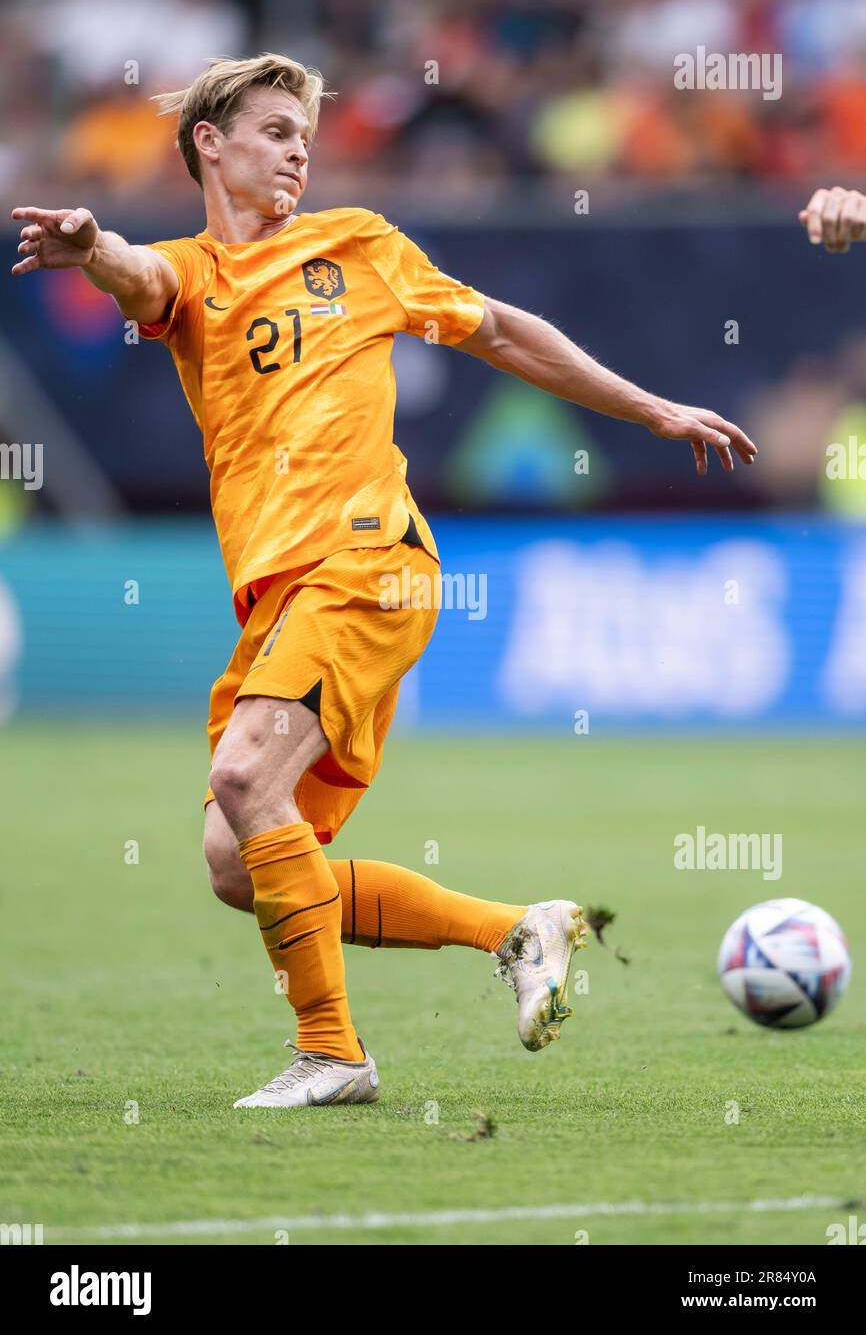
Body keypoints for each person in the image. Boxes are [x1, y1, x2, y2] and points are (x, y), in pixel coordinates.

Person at [11, 54, 757, 1109]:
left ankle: (333, 1053)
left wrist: (650, 410)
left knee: (241, 779)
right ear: (208, 145)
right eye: (273, 130)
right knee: (240, 861)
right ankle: (513, 929)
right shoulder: (194, 275)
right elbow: (141, 275)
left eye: (304, 136)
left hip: (369, 560)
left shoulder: (358, 245)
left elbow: (497, 329)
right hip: (278, 598)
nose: (296, 150)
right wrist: (92, 249)